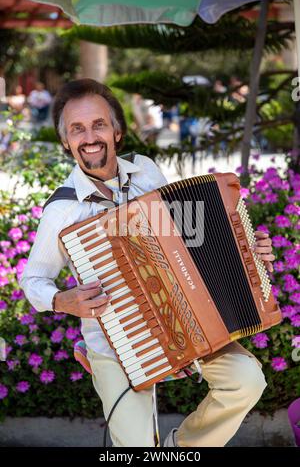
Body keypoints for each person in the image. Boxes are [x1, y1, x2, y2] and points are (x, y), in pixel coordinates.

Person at [20, 78, 275, 448]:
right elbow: (33, 280)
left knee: (247, 380)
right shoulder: (63, 210)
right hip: (115, 345)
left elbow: (188, 240)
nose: (89, 136)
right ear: (66, 141)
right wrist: (63, 301)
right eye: (77, 129)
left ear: (117, 132)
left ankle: (177, 450)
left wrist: (246, 247)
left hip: (184, 326)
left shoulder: (146, 172)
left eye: (98, 124)